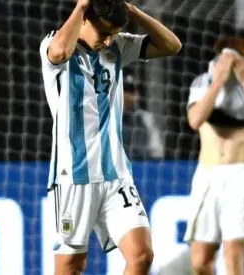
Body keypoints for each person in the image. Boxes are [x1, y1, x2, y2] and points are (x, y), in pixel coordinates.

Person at [39, 0, 181, 273]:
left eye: (113, 33)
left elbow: (172, 46)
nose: (108, 40)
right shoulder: (55, 44)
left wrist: (134, 12)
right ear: (84, 19)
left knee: (142, 255)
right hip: (75, 176)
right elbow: (57, 53)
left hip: (117, 175)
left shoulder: (118, 46)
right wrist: (81, 7)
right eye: (104, 33)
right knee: (71, 267)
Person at [184, 36, 244, 275]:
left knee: (233, 253)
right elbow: (194, 120)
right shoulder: (203, 82)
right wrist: (218, 82)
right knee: (200, 262)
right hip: (207, 176)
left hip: (240, 176)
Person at [122, 68, 165, 159]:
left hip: (140, 168)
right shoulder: (105, 117)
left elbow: (157, 151)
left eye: (131, 91)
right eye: (124, 90)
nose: (128, 95)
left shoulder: (145, 118)